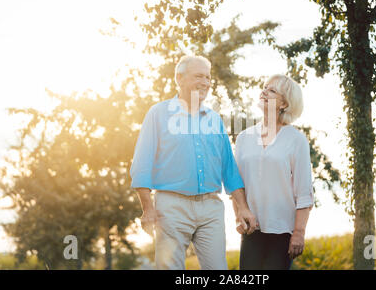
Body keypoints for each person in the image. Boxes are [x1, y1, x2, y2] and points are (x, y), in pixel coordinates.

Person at [130, 55, 257, 270]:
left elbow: (229, 168)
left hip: (211, 207)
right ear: (179, 78)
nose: (205, 82)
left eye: (208, 78)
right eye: (199, 76)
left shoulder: (215, 119)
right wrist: (147, 208)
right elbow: (142, 164)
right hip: (171, 207)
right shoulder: (158, 114)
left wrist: (243, 207)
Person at [233, 74, 314, 270]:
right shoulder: (244, 137)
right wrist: (238, 216)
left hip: (283, 232)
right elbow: (237, 185)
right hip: (251, 230)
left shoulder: (296, 140)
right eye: (264, 87)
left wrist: (299, 232)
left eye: (272, 90)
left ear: (284, 104)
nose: (264, 92)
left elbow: (304, 192)